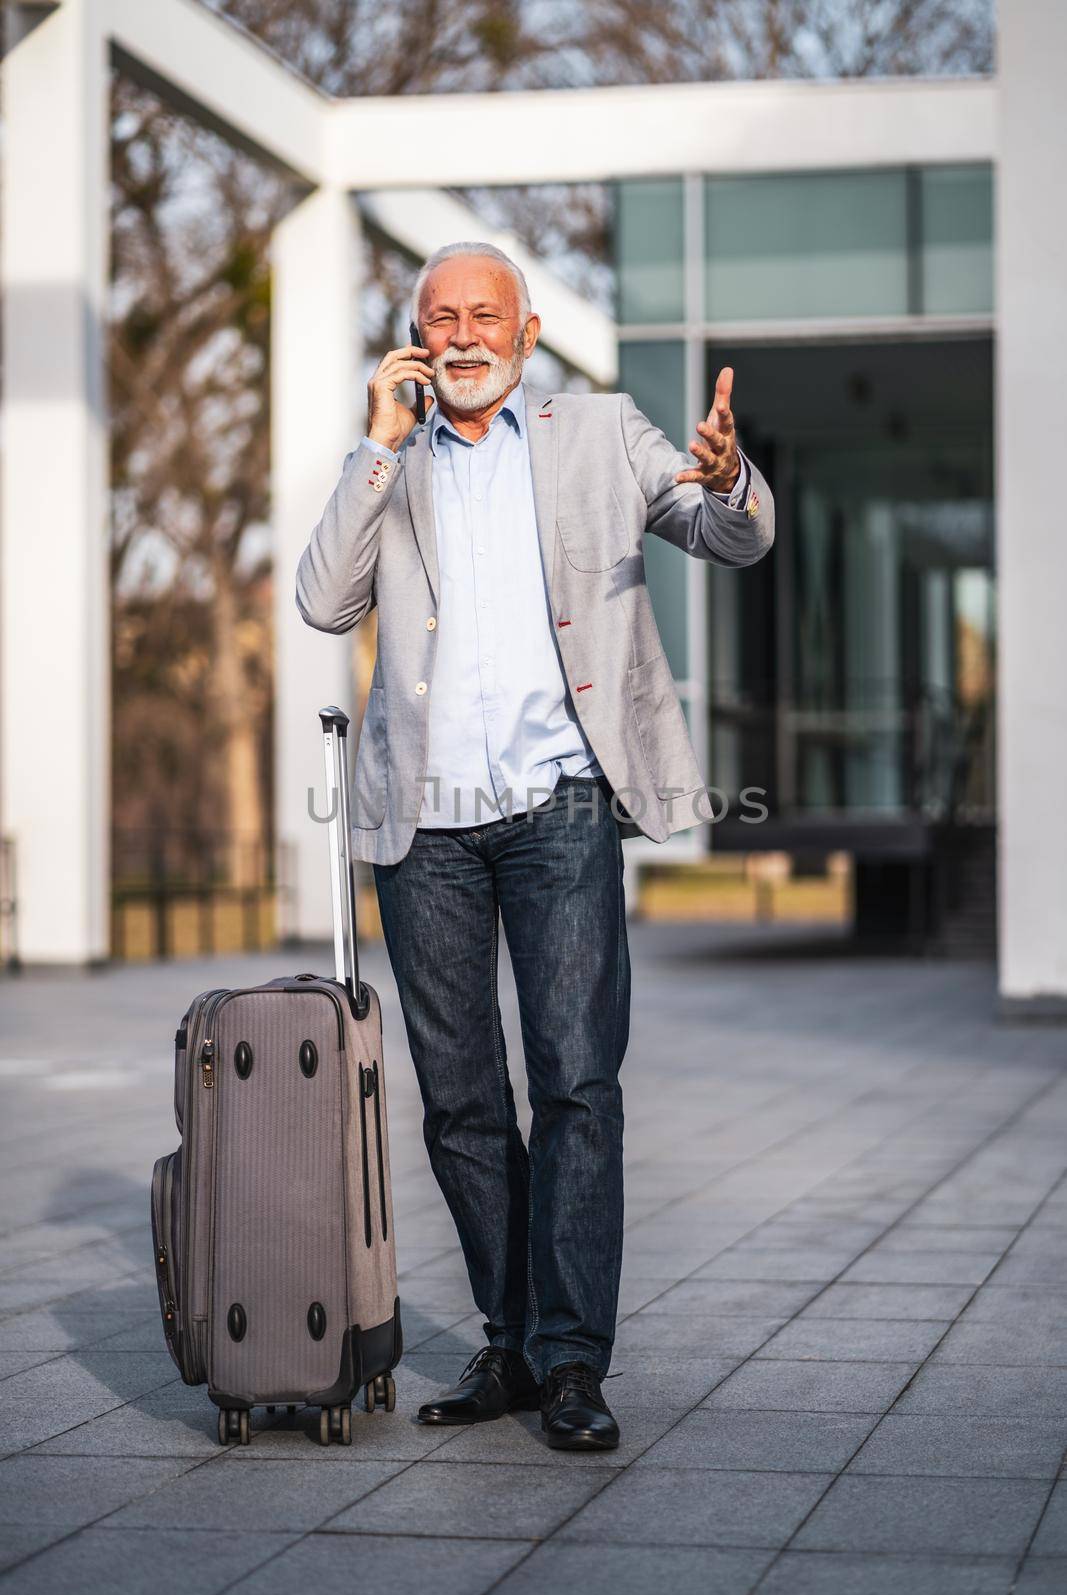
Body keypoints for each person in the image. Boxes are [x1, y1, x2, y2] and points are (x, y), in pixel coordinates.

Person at [296, 240, 774, 1451]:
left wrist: (724, 480)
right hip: (425, 825)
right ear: (412, 336)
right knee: (459, 1103)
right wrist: (372, 446)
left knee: (573, 1082)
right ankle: (508, 1341)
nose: (457, 335)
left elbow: (728, 536)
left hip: (558, 807)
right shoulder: (388, 463)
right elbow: (320, 600)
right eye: (434, 317)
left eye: (480, 316)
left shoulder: (598, 432)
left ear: (525, 329)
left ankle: (570, 1361)